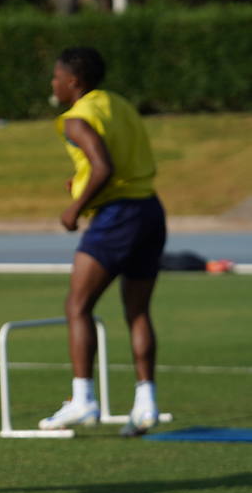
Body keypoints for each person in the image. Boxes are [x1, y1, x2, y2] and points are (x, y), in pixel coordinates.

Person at [39, 47, 165, 436]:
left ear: (74, 82)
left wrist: (75, 207)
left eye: (57, 77)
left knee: (78, 305)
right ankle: (146, 403)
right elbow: (117, 164)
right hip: (150, 210)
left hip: (116, 217)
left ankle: (83, 400)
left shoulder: (75, 119)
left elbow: (104, 167)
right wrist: (80, 183)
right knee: (137, 311)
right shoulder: (119, 104)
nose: (53, 84)